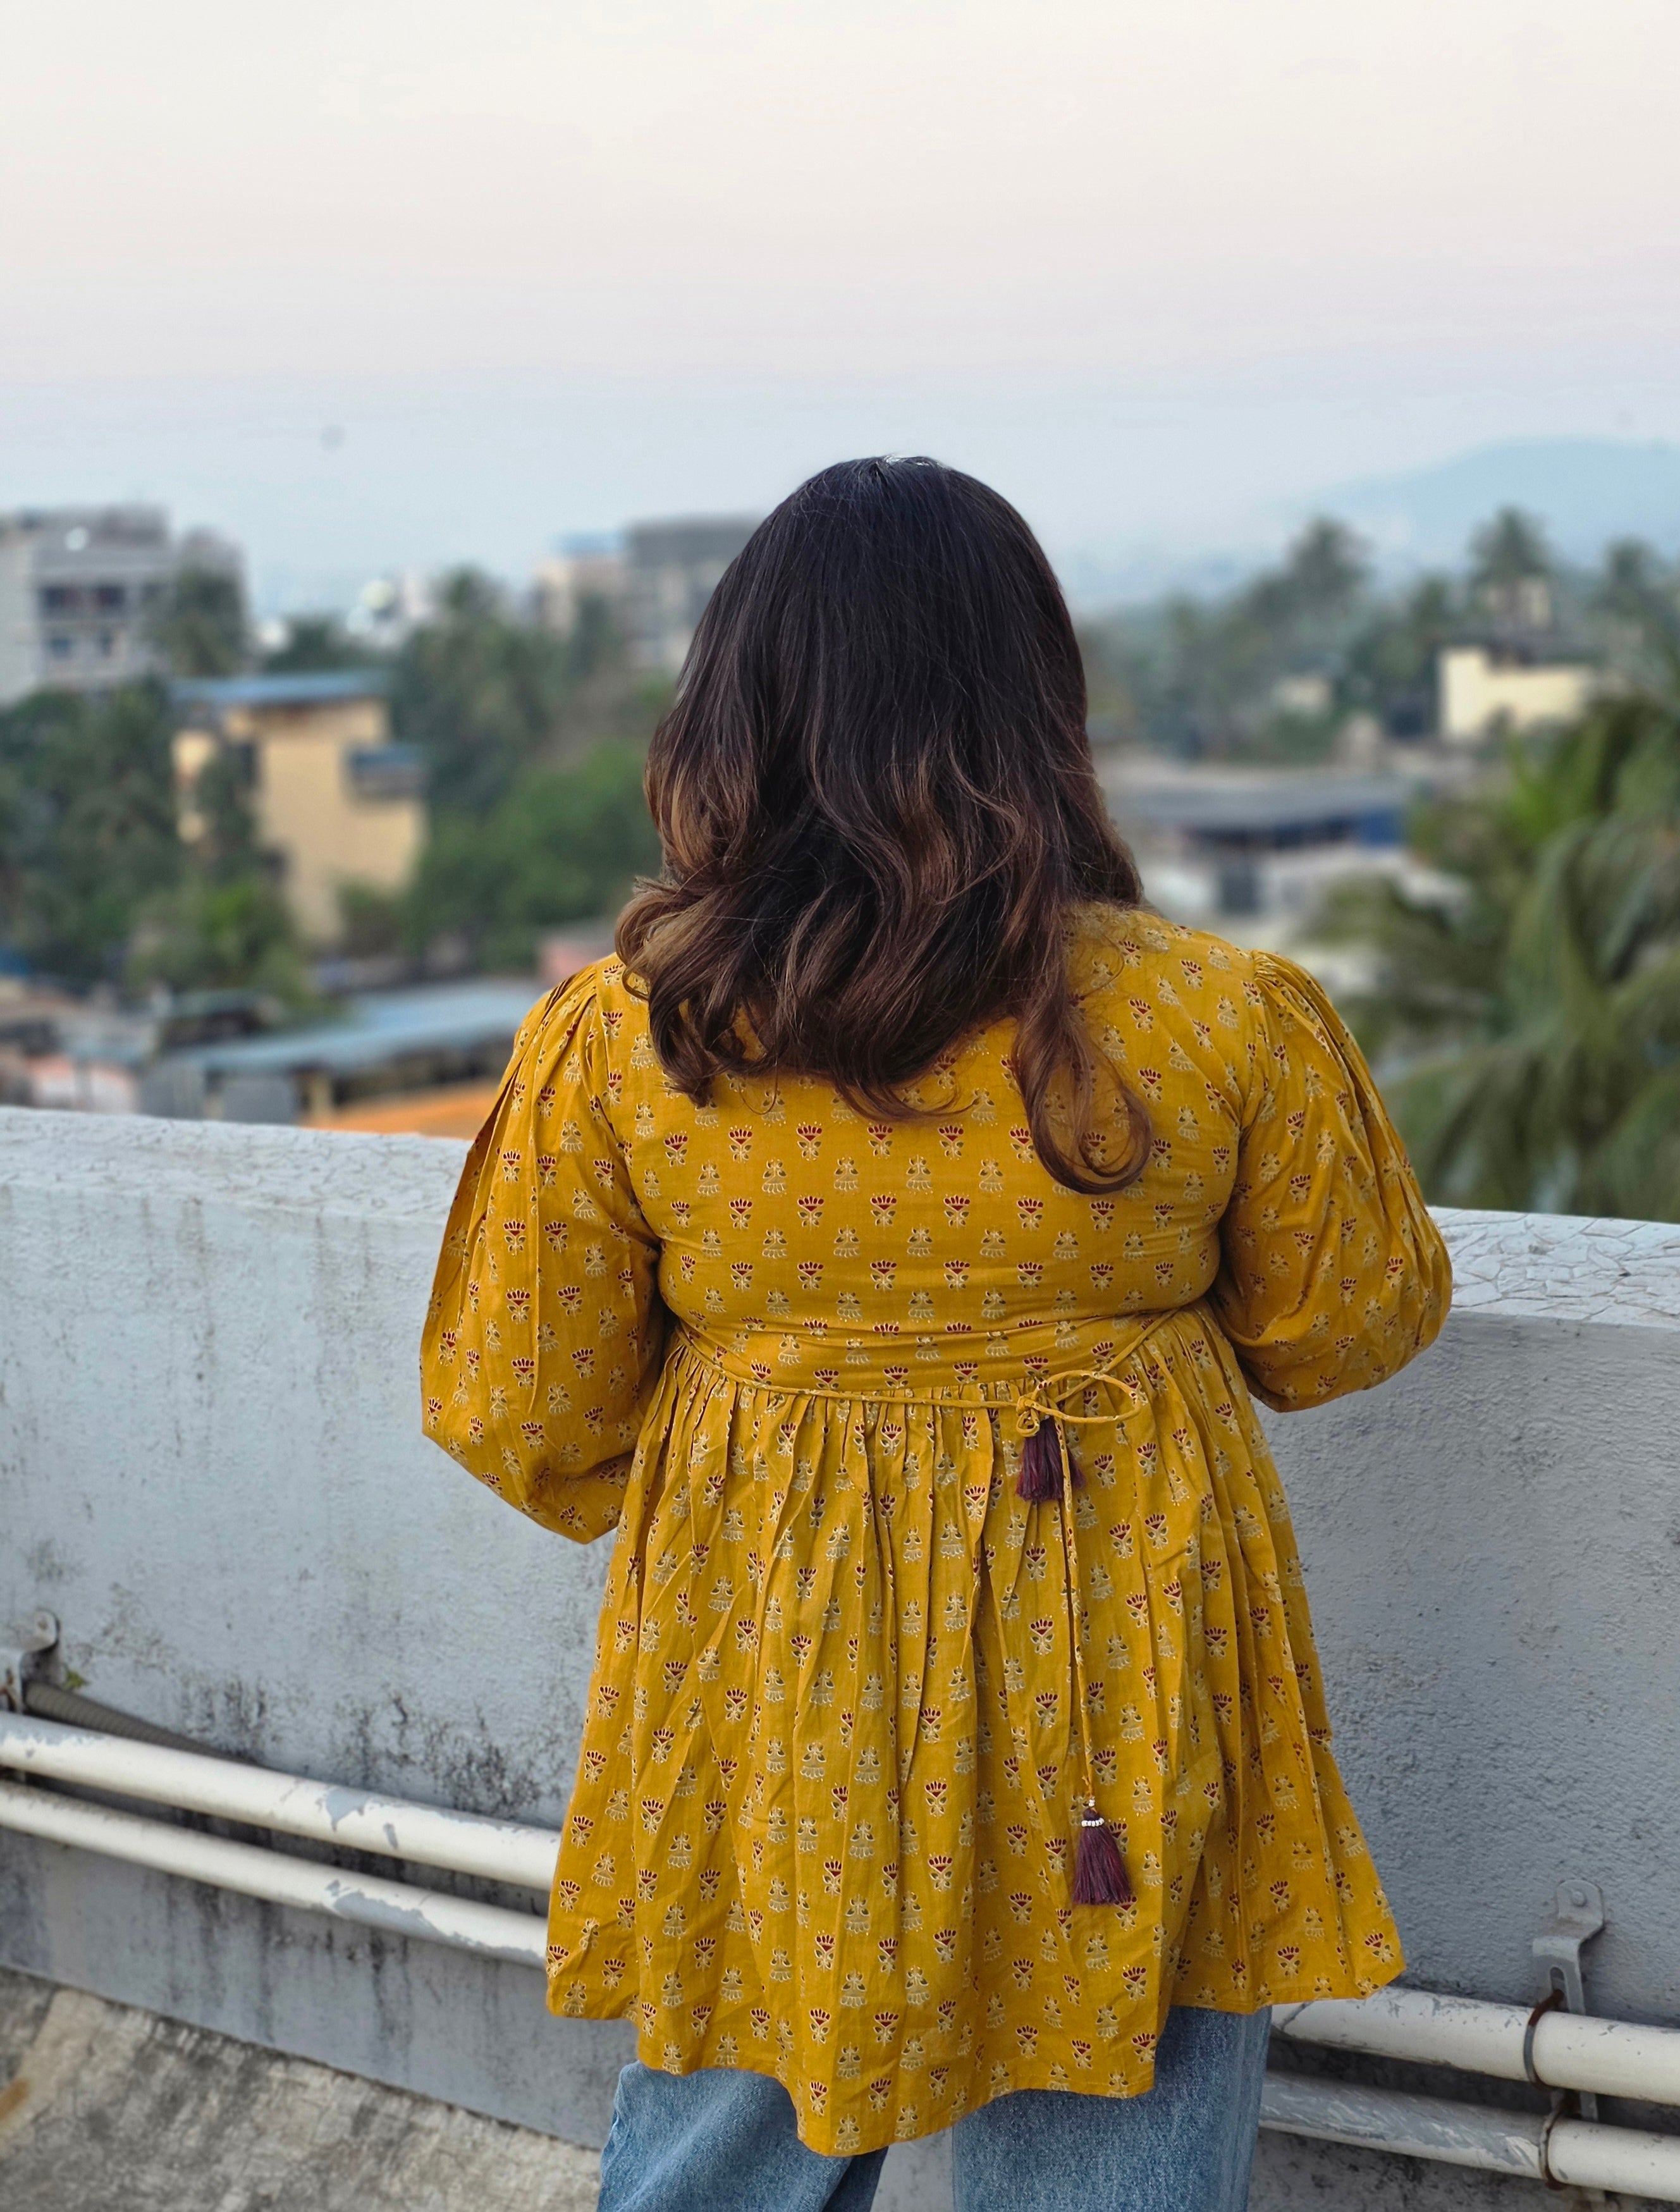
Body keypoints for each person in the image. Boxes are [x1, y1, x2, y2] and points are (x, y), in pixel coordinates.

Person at [420, 456, 1452, 2212]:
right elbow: (1347, 1322)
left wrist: (788, 1434)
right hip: (1120, 1677)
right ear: (1038, 706)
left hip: (773, 1687)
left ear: (741, 710)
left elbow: (526, 1412)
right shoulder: (1221, 1019)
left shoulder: (630, 1043)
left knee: (726, 2152)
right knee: (1120, 2111)